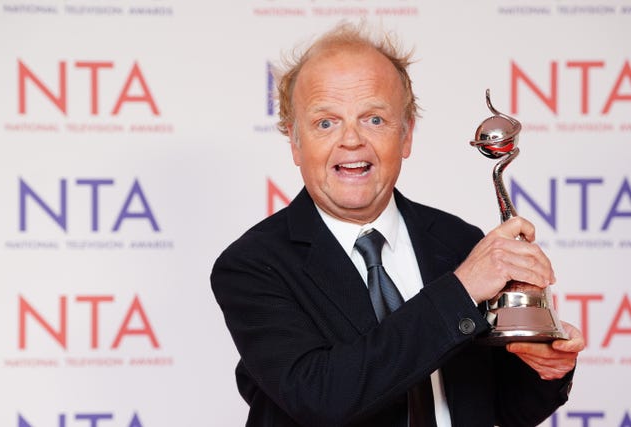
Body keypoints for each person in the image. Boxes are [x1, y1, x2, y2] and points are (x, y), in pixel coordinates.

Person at [211, 21, 585, 427]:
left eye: (374, 119)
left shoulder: (459, 243)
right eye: (325, 122)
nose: (351, 140)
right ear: (295, 143)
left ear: (405, 135)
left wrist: (549, 368)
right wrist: (460, 290)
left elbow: (503, 408)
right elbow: (319, 396)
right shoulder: (252, 265)